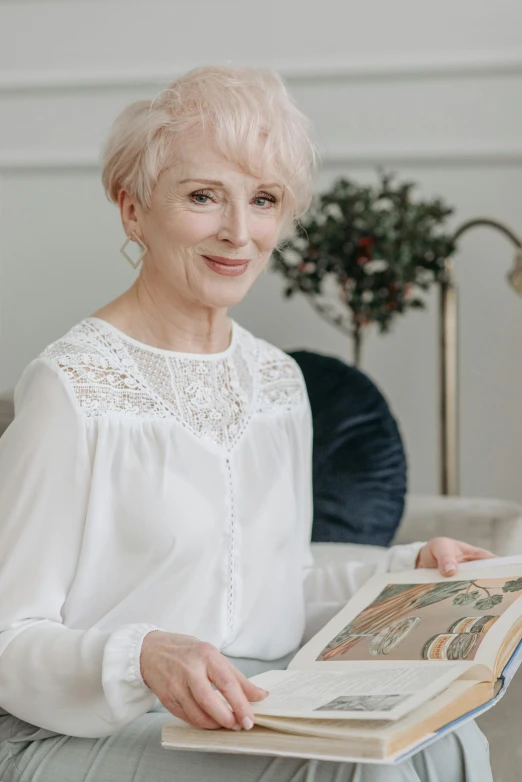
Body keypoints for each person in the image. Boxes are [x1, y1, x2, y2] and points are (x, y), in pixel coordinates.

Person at [0, 65, 494, 782]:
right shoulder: (71, 388)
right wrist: (141, 655)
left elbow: (275, 586)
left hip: (247, 704)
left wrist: (407, 572)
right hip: (82, 734)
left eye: (263, 200)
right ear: (132, 208)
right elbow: (7, 635)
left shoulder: (275, 383)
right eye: (204, 196)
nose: (239, 232)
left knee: (446, 738)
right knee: (359, 771)